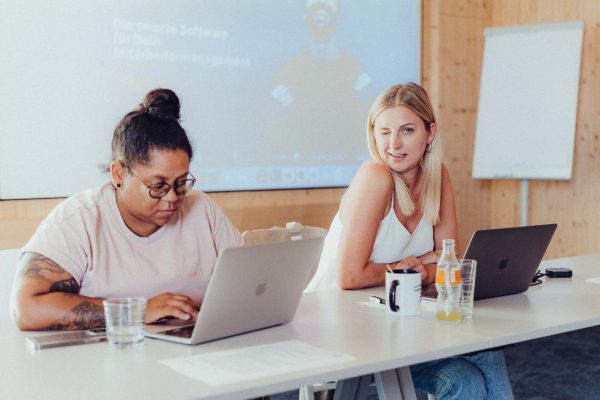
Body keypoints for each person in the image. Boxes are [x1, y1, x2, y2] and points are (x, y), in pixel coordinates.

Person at [305, 83, 514, 399]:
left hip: (398, 318)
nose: (394, 144)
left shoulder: (437, 176)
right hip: (341, 325)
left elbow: (448, 259)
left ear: (430, 132)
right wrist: (415, 269)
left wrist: (424, 271)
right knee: (484, 354)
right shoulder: (375, 177)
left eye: (407, 130)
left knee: (467, 378)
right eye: (384, 131)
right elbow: (349, 278)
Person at [11, 88, 243, 331]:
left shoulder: (203, 210)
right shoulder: (79, 220)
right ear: (119, 174)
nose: (173, 197)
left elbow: (248, 283)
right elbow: (26, 309)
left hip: (195, 352)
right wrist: (136, 312)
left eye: (181, 182)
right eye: (158, 186)